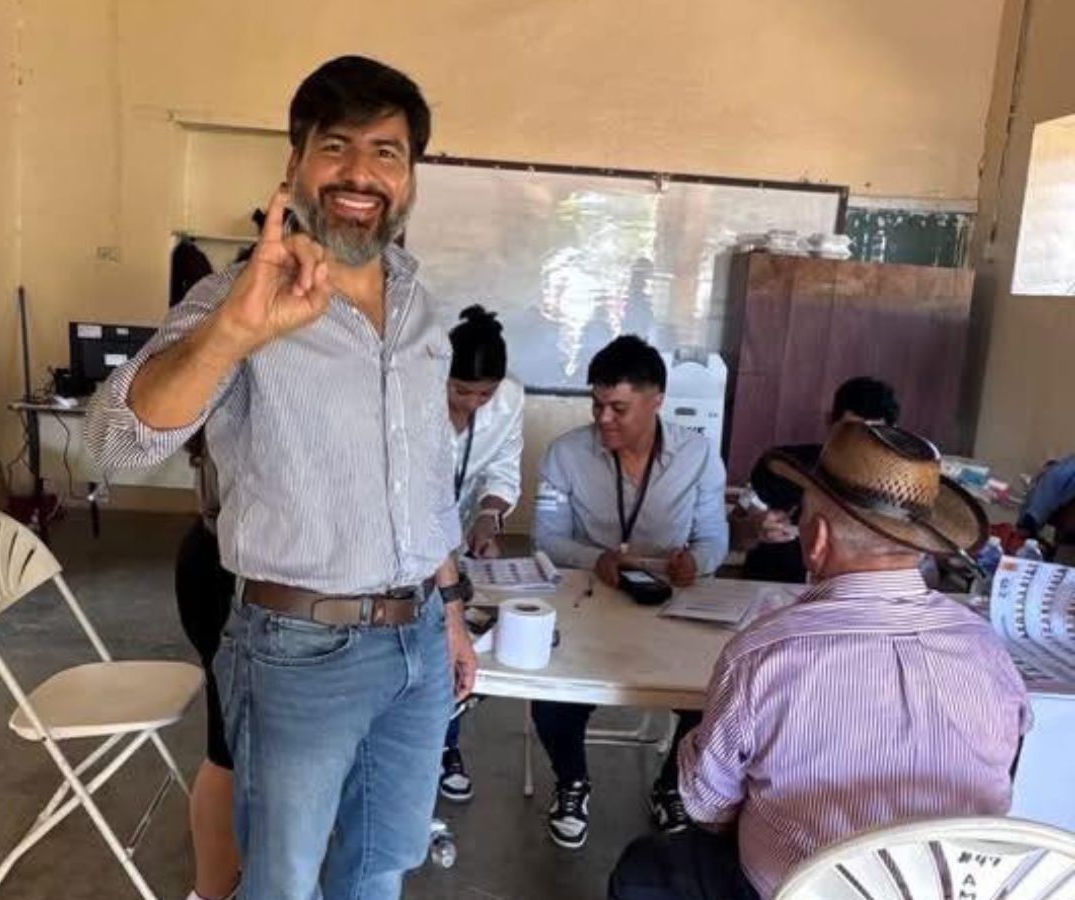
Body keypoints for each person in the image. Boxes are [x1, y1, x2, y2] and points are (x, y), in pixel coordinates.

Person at [85, 55, 476, 900]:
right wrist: (233, 333)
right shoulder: (240, 297)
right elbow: (113, 445)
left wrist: (448, 609)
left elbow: (423, 479)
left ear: (409, 177)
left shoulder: (420, 304)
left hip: (416, 641)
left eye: (385, 151)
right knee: (282, 882)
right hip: (300, 648)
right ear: (295, 163)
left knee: (381, 862)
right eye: (336, 146)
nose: (360, 173)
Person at [609, 421, 1030, 900]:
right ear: (920, 543)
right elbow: (1002, 782)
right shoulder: (988, 649)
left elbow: (708, 806)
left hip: (801, 890)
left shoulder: (764, 654)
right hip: (951, 890)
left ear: (817, 539)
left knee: (642, 867)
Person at [532, 335, 728, 849]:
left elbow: (714, 539)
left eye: (618, 408)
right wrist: (594, 560)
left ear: (656, 400)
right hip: (589, 599)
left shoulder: (698, 455)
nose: (604, 419)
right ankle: (572, 781)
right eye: (597, 405)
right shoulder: (566, 454)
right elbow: (546, 539)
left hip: (671, 604)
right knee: (552, 694)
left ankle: (671, 786)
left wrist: (696, 562)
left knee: (712, 693)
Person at [439, 304, 525, 802]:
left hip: (460, 541)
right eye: (461, 391)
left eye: (484, 394)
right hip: (409, 542)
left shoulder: (510, 399)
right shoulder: (413, 391)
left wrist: (489, 516)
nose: (473, 403)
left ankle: (447, 744)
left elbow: (504, 469)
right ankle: (429, 742)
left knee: (467, 646)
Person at [734, 376, 900, 584]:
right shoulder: (780, 466)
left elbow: (921, 568)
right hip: (774, 590)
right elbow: (734, 537)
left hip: (855, 596)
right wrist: (752, 529)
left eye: (874, 434)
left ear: (892, 434)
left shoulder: (901, 487)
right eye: (849, 430)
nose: (859, 443)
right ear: (830, 422)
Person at [174, 439, 240, 900]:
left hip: (225, 561)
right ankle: (211, 893)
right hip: (225, 569)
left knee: (238, 746)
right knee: (228, 749)